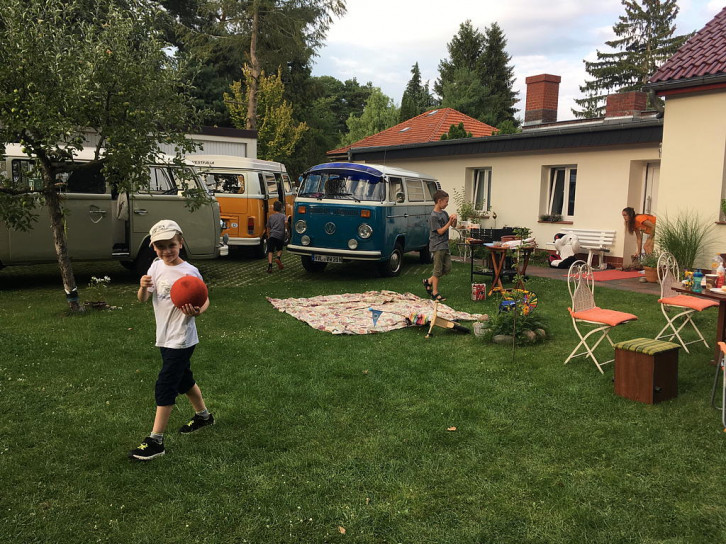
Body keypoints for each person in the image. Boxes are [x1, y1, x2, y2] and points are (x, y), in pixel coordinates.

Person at [128, 219, 214, 461]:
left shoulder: (189, 271)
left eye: (171, 245)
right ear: (153, 248)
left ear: (181, 243)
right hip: (164, 337)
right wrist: (142, 287)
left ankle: (156, 440)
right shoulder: (155, 267)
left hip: (182, 338)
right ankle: (204, 417)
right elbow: (143, 299)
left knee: (166, 384)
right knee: (184, 379)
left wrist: (198, 311)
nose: (166, 251)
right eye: (161, 246)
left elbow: (205, 298)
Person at [423, 190, 457, 301]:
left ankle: (429, 281)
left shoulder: (444, 213)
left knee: (447, 268)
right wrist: (449, 223)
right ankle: (435, 292)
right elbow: (440, 231)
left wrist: (454, 220)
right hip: (437, 245)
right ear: (439, 201)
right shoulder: (433, 216)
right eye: (446, 201)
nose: (447, 203)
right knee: (437, 270)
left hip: (445, 245)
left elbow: (453, 225)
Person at [266, 200, 286, 273]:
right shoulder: (283, 216)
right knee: (279, 249)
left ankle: (270, 265)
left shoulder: (271, 217)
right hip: (280, 235)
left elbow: (268, 227)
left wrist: (268, 235)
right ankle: (278, 258)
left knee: (270, 251)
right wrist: (286, 229)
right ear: (281, 208)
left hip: (272, 235)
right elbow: (286, 222)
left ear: (274, 208)